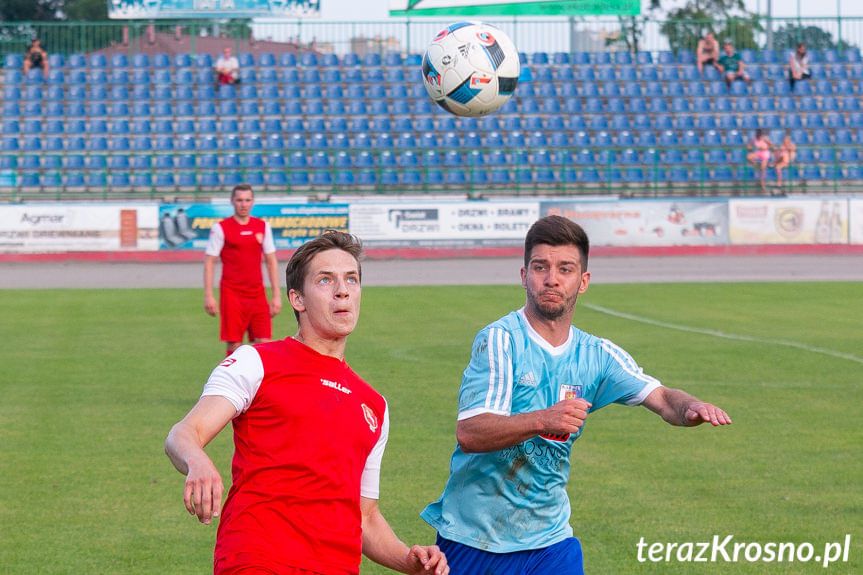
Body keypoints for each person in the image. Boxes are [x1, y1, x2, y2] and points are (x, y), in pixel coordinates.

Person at [421, 215, 731, 575]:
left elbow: (661, 398)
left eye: (565, 269)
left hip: (551, 540)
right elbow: (471, 433)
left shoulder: (597, 355)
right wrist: (542, 419)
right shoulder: (500, 341)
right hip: (475, 539)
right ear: (524, 276)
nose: (552, 279)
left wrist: (690, 407)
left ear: (582, 282)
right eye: (540, 267)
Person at [166, 230, 449, 575]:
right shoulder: (256, 362)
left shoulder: (374, 405)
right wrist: (197, 460)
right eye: (325, 280)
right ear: (297, 299)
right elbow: (185, 432)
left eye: (351, 279)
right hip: (258, 560)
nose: (342, 290)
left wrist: (408, 560)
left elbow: (365, 517)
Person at [204, 184, 281, 356]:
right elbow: (210, 262)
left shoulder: (262, 227)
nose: (243, 204)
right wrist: (209, 295)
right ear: (232, 201)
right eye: (239, 200)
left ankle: (262, 383)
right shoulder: (221, 228)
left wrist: (276, 295)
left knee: (264, 343)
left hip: (257, 294)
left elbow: (271, 261)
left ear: (253, 202)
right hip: (232, 294)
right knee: (234, 345)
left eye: (247, 200)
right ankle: (230, 382)